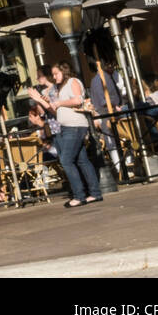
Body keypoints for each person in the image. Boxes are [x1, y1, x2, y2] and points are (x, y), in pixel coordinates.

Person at [27, 60, 101, 207]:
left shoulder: (73, 81)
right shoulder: (58, 88)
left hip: (75, 126)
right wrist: (40, 100)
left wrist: (59, 103)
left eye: (56, 74)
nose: (54, 77)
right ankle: (94, 193)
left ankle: (79, 196)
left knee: (66, 160)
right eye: (53, 74)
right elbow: (54, 109)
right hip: (67, 126)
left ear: (64, 71)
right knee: (81, 160)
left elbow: (78, 99)